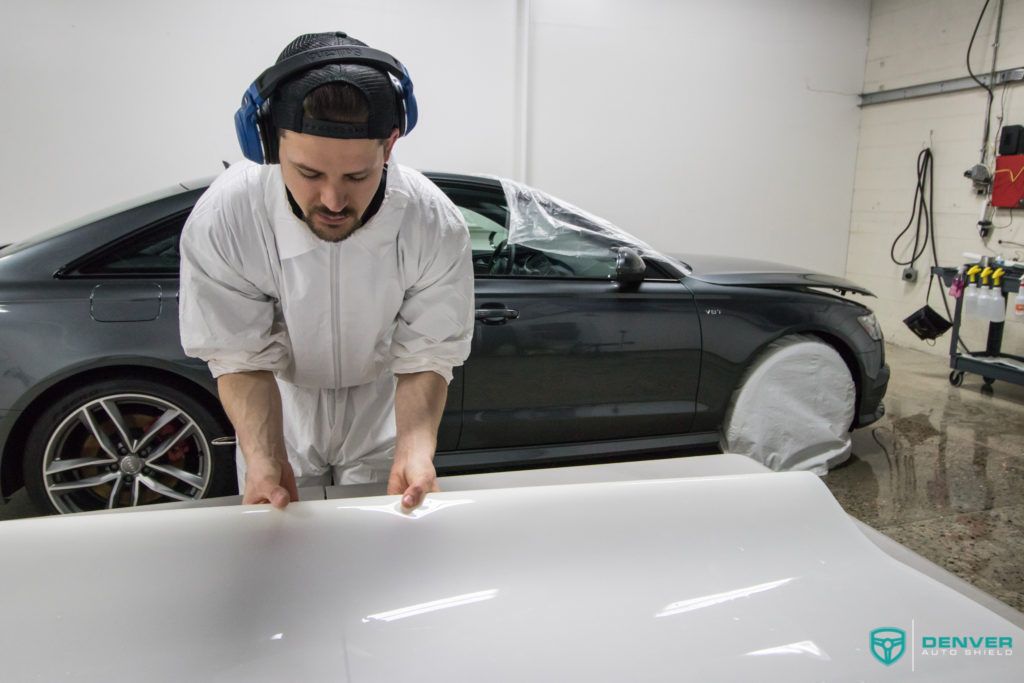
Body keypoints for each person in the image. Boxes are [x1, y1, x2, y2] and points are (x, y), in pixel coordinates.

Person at [178, 31, 474, 511]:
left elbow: (426, 355)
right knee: (282, 551)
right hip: (281, 409)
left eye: (357, 177)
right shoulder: (229, 219)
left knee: (382, 552)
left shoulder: (431, 222)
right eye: (309, 174)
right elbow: (240, 357)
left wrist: (415, 448)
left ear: (389, 146)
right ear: (270, 145)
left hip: (384, 413)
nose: (334, 201)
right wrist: (264, 457)